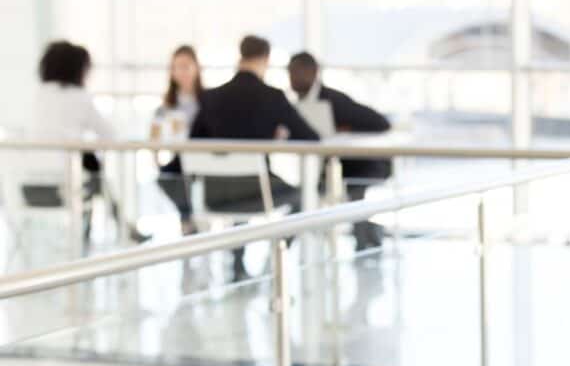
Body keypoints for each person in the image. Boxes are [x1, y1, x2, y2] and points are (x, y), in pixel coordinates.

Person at [190, 35, 319, 282]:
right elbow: (310, 137)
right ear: (266, 59)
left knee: (240, 181)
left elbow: (194, 143)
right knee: (302, 196)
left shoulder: (210, 97)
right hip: (259, 192)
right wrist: (279, 137)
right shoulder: (273, 97)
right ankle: (276, 255)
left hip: (214, 193)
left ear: (241, 57)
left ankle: (238, 260)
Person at [24, 41, 150, 244]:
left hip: (29, 190)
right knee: (95, 175)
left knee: (90, 169)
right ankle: (110, 233)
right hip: (65, 189)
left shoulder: (39, 95)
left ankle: (98, 234)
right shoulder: (79, 97)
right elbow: (109, 135)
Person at [287, 51, 392, 251]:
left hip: (363, 165)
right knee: (307, 195)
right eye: (290, 73)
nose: (293, 78)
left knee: (351, 197)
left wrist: (346, 130)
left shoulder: (334, 100)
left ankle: (364, 244)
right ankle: (284, 244)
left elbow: (381, 122)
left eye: (297, 73)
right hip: (329, 165)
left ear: (313, 73)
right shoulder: (296, 103)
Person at [153, 45, 203, 235]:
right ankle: (188, 217)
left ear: (196, 67)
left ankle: (189, 219)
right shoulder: (168, 104)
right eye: (176, 67)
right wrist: (156, 157)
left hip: (204, 158)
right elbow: (155, 134)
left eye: (185, 66)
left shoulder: (207, 100)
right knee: (167, 177)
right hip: (181, 160)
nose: (181, 72)